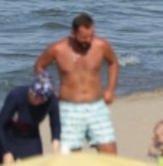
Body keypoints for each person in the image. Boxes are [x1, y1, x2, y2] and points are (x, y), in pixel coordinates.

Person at [34, 13, 120, 154]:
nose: (88, 40)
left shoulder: (101, 45)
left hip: (97, 106)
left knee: (109, 155)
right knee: (70, 158)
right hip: (68, 108)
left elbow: (113, 63)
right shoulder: (58, 49)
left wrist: (110, 89)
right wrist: (48, 90)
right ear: (73, 33)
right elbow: (39, 66)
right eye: (84, 37)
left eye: (91, 35)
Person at [0, 71, 61, 164]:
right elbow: (0, 124)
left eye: (39, 97)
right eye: (33, 94)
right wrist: (6, 152)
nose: (34, 98)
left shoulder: (51, 100)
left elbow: (55, 123)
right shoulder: (16, 96)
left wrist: (56, 140)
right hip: (9, 134)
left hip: (31, 135)